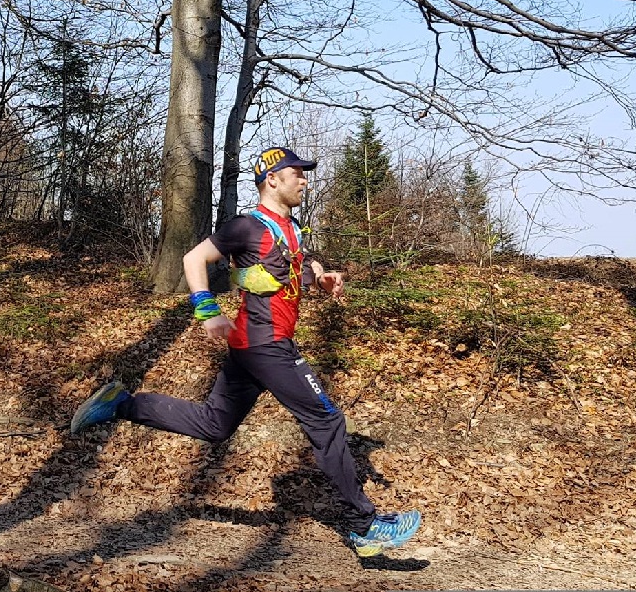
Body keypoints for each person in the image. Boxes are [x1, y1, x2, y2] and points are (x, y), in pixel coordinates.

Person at [70, 146, 420, 557]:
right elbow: (194, 258)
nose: (304, 180)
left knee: (214, 424)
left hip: (253, 346)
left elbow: (288, 270)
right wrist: (207, 310)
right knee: (326, 421)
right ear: (272, 179)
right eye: (297, 173)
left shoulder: (291, 228)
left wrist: (320, 277)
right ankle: (364, 527)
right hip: (267, 345)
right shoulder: (246, 226)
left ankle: (121, 403)